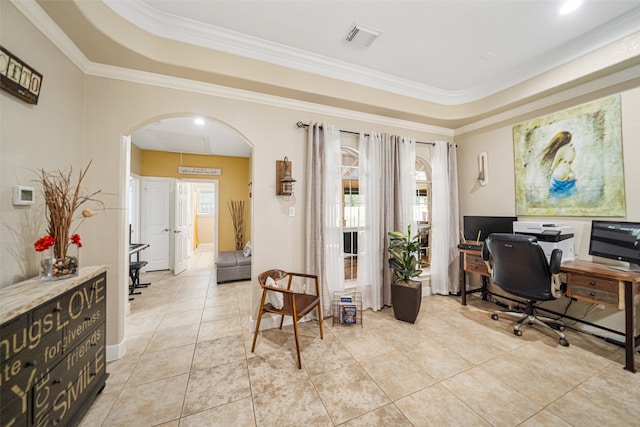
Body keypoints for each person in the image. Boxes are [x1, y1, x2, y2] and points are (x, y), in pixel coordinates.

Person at [539, 131, 576, 198]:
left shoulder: (561, 149)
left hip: (560, 173)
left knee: (554, 197)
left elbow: (554, 163)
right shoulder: (573, 149)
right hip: (570, 175)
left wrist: (550, 174)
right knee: (570, 198)